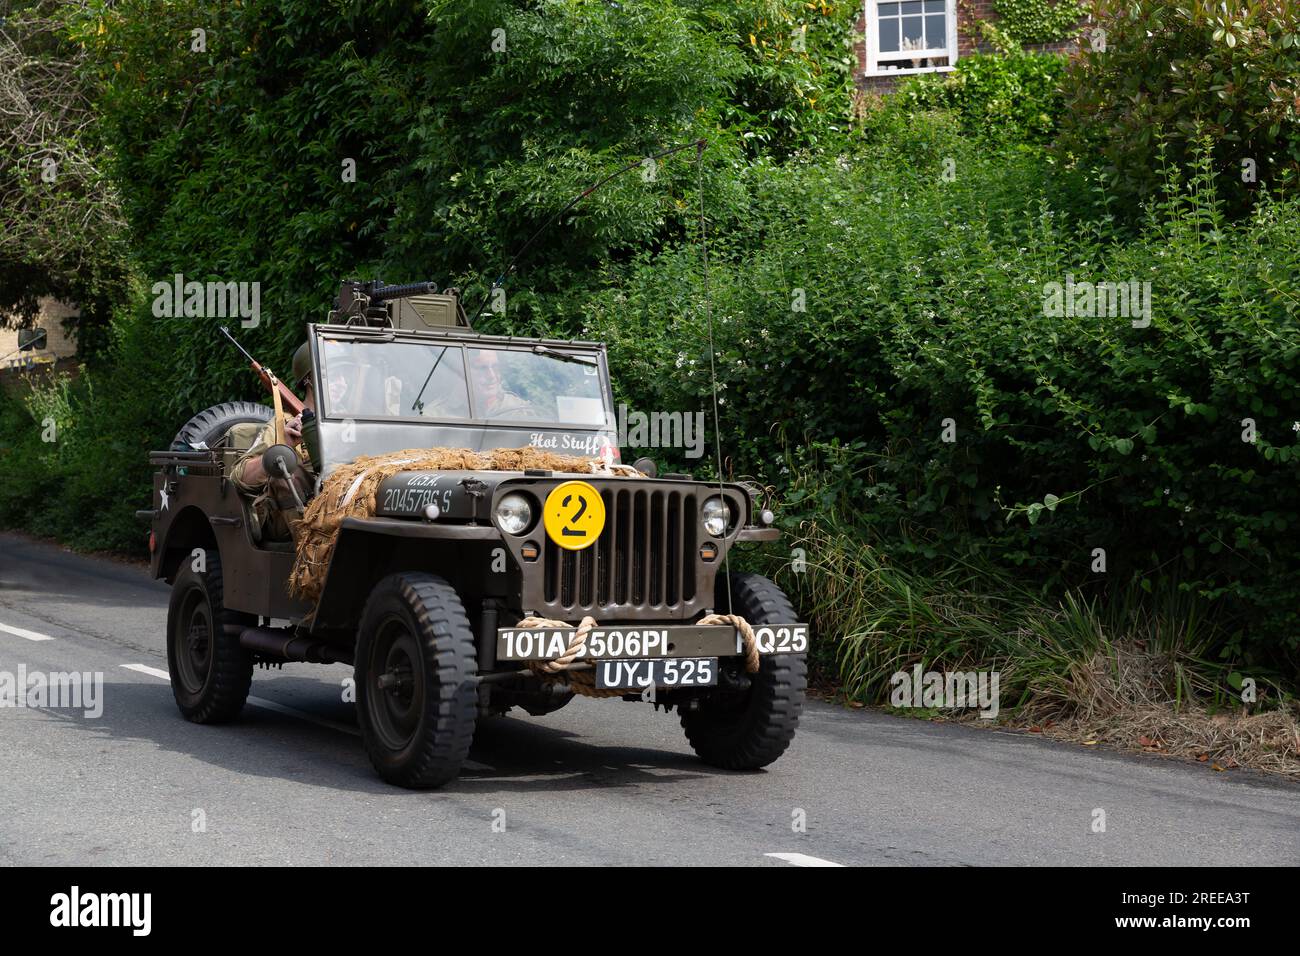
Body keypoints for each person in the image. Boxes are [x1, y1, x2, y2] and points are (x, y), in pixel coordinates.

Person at [229, 342, 317, 542]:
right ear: (309, 379)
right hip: (291, 521)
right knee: (286, 470)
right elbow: (239, 476)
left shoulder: (350, 424)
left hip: (336, 509)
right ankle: (311, 555)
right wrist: (283, 447)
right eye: (333, 375)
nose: (342, 383)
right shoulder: (285, 423)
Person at [469, 348, 540, 419]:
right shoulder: (460, 414)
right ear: (467, 373)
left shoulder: (519, 409)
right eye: (482, 368)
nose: (491, 376)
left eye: (495, 367)